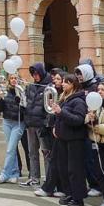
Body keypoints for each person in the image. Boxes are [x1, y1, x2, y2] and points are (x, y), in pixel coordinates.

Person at [52, 73, 88, 206]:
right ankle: (69, 193)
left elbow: (78, 120)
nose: (62, 84)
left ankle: (78, 198)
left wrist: (61, 112)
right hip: (63, 138)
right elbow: (60, 117)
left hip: (74, 140)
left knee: (75, 170)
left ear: (72, 84)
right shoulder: (65, 98)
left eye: (65, 82)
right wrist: (56, 126)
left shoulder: (78, 101)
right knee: (64, 168)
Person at [20, 62, 52, 188]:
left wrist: (46, 123)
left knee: (46, 153)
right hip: (31, 124)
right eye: (33, 74)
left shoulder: (49, 86)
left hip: (42, 125)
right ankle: (34, 178)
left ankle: (49, 180)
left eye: (37, 73)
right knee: (32, 152)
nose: (35, 76)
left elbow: (49, 107)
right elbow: (27, 102)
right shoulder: (31, 86)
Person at [35, 69, 65, 198]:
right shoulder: (51, 92)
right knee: (54, 159)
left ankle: (50, 187)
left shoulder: (65, 95)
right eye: (55, 78)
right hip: (51, 128)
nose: (55, 81)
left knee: (56, 160)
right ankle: (57, 187)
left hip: (60, 130)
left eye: (58, 79)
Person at [76, 63, 102, 198]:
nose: (79, 76)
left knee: (92, 159)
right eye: (77, 74)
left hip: (93, 128)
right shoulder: (81, 87)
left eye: (81, 73)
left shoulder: (95, 87)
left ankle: (97, 185)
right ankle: (92, 183)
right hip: (83, 126)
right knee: (86, 158)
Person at [0, 73, 26, 184]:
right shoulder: (6, 92)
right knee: (11, 149)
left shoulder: (22, 92)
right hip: (7, 122)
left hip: (18, 123)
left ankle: (4, 174)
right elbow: (0, 109)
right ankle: (14, 173)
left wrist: (21, 103)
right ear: (9, 80)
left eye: (16, 78)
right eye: (12, 78)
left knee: (10, 149)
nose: (13, 80)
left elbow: (25, 109)